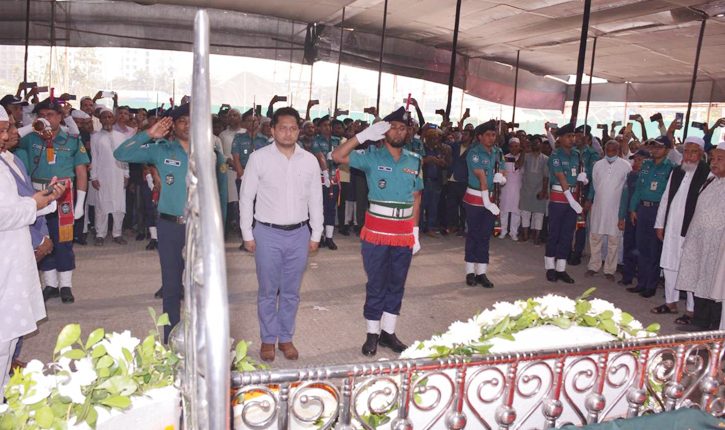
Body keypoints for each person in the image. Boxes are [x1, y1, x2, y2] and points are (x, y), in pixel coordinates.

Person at [332, 107, 422, 357]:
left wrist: (415, 231)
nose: (398, 132)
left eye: (402, 128)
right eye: (393, 127)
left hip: (403, 233)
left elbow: (417, 196)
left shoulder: (415, 160)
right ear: (384, 130)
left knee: (397, 283)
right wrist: (363, 136)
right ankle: (372, 333)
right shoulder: (371, 156)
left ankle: (388, 333)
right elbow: (337, 155)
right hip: (377, 231)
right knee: (376, 283)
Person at [239, 107, 323, 362]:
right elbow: (246, 197)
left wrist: (316, 232)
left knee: (291, 292)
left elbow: (315, 199)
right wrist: (247, 233)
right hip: (267, 233)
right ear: (273, 130)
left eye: (293, 128)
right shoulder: (259, 158)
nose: (288, 133)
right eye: (283, 128)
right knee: (267, 290)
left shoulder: (309, 160)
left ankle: (285, 338)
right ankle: (268, 339)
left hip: (299, 234)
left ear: (299, 131)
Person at [0, 106, 66, 396]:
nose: (8, 136)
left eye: (8, 129)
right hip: (5, 260)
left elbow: (19, 203)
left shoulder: (8, 161)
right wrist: (34, 204)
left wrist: (47, 199)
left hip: (13, 258)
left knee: (9, 334)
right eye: (3, 130)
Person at [114, 104, 191, 342]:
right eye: (182, 120)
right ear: (173, 126)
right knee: (171, 286)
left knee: (203, 287)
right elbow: (121, 154)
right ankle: (171, 340)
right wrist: (148, 134)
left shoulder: (210, 152)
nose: (188, 125)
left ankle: (200, 340)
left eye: (193, 120)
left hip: (201, 228)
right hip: (171, 226)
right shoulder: (161, 149)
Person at [17, 99, 89, 304]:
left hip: (63, 195)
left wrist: (80, 204)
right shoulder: (31, 138)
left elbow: (81, 172)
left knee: (63, 240)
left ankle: (65, 285)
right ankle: (50, 284)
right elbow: (10, 139)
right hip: (37, 195)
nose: (46, 119)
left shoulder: (72, 140)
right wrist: (32, 127)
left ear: (60, 116)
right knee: (42, 238)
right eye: (42, 115)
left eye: (50, 115)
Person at [650, 136, 709, 323]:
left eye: (693, 152)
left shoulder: (707, 174)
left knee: (690, 268)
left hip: (692, 229)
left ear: (701, 154)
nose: (689, 156)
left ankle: (691, 310)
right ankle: (670, 302)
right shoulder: (677, 171)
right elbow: (666, 198)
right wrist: (660, 224)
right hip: (672, 227)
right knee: (669, 264)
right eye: (686, 152)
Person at [673, 141, 725, 330]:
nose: (714, 162)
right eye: (712, 159)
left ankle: (714, 329)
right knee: (700, 281)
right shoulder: (710, 181)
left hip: (719, 247)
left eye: (720, 159)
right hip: (701, 242)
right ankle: (700, 323)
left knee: (716, 286)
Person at [627, 138, 673, 298]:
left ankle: (650, 285)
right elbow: (638, 189)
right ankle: (641, 283)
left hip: (657, 210)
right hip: (642, 209)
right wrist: (633, 208)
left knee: (654, 250)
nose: (656, 150)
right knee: (641, 248)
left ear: (667, 150)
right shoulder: (646, 165)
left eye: (660, 147)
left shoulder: (670, 168)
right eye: (654, 147)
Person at [462, 120, 506, 288]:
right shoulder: (474, 153)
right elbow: (481, 177)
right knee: (473, 235)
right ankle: (470, 272)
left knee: (485, 236)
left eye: (493, 135)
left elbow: (502, 169)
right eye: (488, 135)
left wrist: (502, 178)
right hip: (476, 199)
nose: (491, 138)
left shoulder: (498, 152)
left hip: (491, 199)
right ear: (480, 136)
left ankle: (481, 272)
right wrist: (487, 202)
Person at [545, 123, 586, 283]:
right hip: (559, 198)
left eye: (573, 136)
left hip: (573, 197)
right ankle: (550, 267)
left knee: (567, 234)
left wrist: (584, 178)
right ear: (560, 139)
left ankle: (561, 268)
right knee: (554, 233)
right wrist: (570, 199)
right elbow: (561, 177)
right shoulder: (555, 155)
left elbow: (579, 172)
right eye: (568, 136)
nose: (572, 139)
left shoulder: (577, 154)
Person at [584, 140, 631, 281]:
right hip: (598, 208)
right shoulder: (598, 165)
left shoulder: (626, 166)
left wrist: (623, 213)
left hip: (616, 210)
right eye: (607, 150)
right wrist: (589, 199)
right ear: (604, 150)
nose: (610, 153)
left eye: (613, 150)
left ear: (618, 151)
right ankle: (593, 266)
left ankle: (610, 270)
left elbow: (626, 191)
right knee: (595, 238)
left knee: (613, 241)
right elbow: (593, 185)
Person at [90, 107, 129, 246]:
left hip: (119, 175)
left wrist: (126, 174)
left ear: (114, 119)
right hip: (102, 176)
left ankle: (117, 233)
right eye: (104, 117)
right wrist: (93, 177)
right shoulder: (95, 137)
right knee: (101, 206)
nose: (107, 120)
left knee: (119, 206)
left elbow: (125, 157)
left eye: (109, 117)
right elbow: (94, 158)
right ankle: (100, 234)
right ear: (100, 120)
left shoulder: (121, 136)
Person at [569, 125, 601, 265]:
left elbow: (594, 178)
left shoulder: (593, 154)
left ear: (587, 137)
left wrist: (589, 198)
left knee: (580, 223)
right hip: (571, 191)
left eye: (579, 135)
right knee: (568, 222)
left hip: (584, 192)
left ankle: (577, 252)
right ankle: (567, 250)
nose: (576, 138)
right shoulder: (572, 152)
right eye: (575, 135)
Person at [618, 149, 649, 286]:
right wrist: (621, 217)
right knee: (629, 246)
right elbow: (625, 197)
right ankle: (627, 275)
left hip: (643, 215)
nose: (635, 163)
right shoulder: (631, 175)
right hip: (629, 216)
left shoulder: (648, 176)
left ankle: (642, 279)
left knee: (641, 248)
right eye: (635, 160)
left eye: (639, 160)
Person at [312, 115, 341, 250]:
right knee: (319, 208)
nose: (327, 128)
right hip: (320, 178)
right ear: (319, 127)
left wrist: (336, 159)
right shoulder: (316, 141)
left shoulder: (336, 140)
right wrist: (325, 172)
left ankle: (329, 237)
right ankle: (318, 236)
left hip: (333, 177)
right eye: (324, 125)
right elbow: (320, 157)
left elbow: (342, 156)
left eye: (329, 125)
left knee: (330, 208)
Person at [519, 136, 549, 244]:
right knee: (525, 213)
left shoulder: (545, 159)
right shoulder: (526, 156)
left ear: (541, 144)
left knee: (539, 214)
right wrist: (523, 150)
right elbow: (518, 165)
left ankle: (536, 237)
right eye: (533, 143)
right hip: (526, 189)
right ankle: (525, 235)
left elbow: (546, 176)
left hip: (539, 189)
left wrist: (544, 191)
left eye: (537, 142)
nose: (535, 144)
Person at [445, 128, 471, 235]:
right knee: (451, 204)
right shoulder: (455, 145)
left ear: (471, 137)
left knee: (463, 206)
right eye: (463, 133)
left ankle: (462, 227)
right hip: (451, 179)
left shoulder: (473, 149)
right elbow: (445, 144)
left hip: (463, 180)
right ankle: (453, 225)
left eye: (466, 134)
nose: (463, 136)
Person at [499, 137, 523, 241]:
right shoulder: (504, 158)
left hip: (518, 188)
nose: (514, 148)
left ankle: (514, 232)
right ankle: (503, 231)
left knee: (516, 211)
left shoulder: (523, 158)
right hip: (506, 188)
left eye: (516, 146)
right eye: (512, 146)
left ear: (519, 147)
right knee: (504, 210)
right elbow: (501, 172)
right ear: (509, 147)